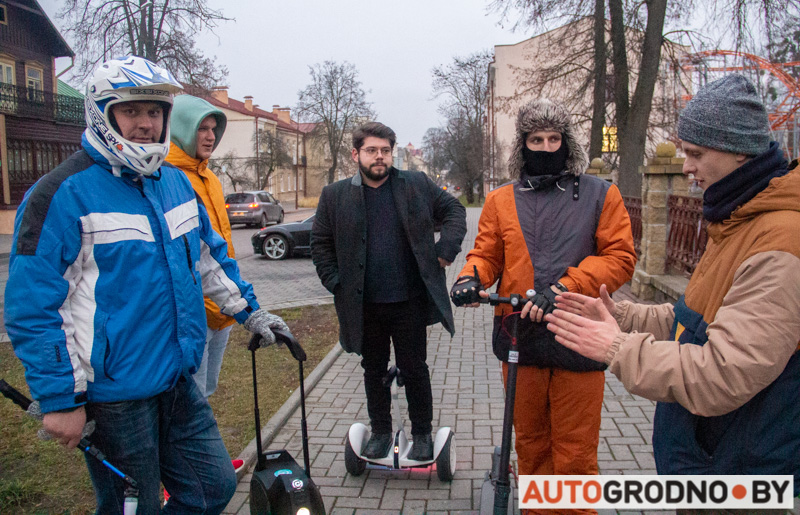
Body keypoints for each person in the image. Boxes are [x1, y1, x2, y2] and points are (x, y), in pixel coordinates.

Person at [4, 56, 289, 514]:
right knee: (134, 509)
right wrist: (60, 397)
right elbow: (32, 307)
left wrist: (250, 312)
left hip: (176, 381)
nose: (145, 124)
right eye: (131, 111)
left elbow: (209, 260)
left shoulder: (175, 183)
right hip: (114, 397)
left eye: (154, 112)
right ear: (103, 112)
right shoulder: (61, 193)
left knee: (212, 488)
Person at [546, 74, 800, 497]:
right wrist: (622, 316)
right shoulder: (739, 219)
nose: (685, 167)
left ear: (739, 152)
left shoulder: (780, 241)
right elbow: (692, 322)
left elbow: (724, 373)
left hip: (744, 473)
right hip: (710, 461)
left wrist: (617, 348)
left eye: (696, 153)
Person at [450, 98, 636, 508]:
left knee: (575, 453)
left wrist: (565, 287)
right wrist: (470, 278)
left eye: (555, 138)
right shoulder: (501, 200)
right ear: (523, 145)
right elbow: (487, 254)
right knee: (531, 447)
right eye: (537, 139)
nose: (547, 147)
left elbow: (619, 258)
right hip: (521, 335)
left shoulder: (600, 194)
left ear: (567, 142)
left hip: (579, 334)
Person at [311, 122, 466, 461]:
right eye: (371, 150)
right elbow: (320, 245)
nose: (379, 157)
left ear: (391, 153)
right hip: (364, 306)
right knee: (374, 370)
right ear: (356, 154)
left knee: (415, 368)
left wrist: (446, 250)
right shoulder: (335, 196)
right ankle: (380, 431)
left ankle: (422, 433)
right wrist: (337, 283)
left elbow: (454, 211)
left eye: (385, 150)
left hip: (409, 301)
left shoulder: (415, 184)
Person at [168, 94, 235, 399]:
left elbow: (218, 243)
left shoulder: (210, 177)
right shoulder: (167, 177)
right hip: (194, 312)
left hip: (223, 305)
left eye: (213, 130)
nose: (210, 137)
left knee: (207, 391)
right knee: (190, 398)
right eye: (202, 129)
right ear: (180, 128)